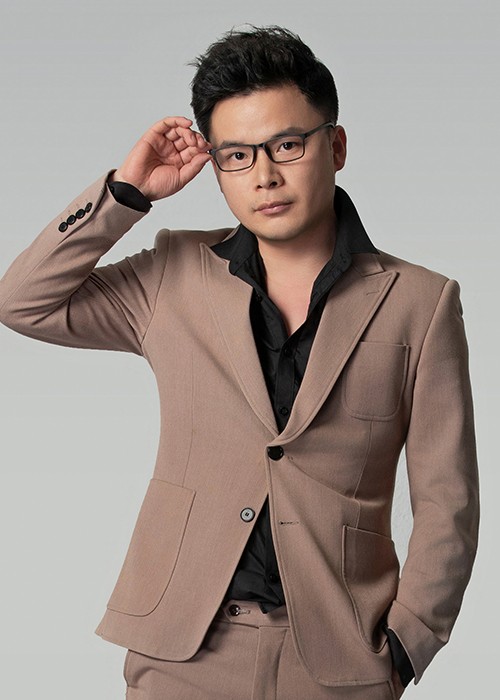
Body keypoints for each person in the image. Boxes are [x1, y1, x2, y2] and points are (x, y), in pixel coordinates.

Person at [0, 25, 479, 700]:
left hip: (341, 659)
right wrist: (125, 193)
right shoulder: (173, 273)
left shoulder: (419, 303)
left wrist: (407, 643)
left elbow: (448, 499)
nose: (264, 175)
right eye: (237, 155)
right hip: (182, 653)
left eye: (287, 145)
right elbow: (23, 301)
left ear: (336, 147)